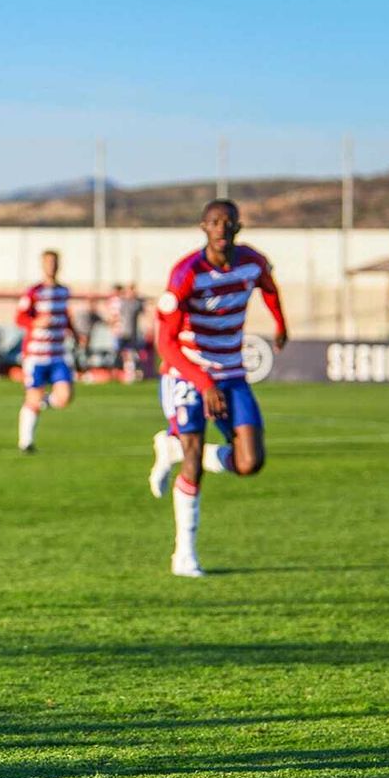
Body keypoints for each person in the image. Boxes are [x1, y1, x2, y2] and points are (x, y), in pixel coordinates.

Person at [147, 199, 288, 577]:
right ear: (203, 228)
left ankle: (171, 448)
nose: (221, 229)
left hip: (231, 373)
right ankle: (184, 555)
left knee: (250, 461)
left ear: (238, 228)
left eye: (228, 223)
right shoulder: (186, 274)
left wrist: (280, 322)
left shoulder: (252, 262)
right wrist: (202, 381)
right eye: (214, 223)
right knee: (193, 459)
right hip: (187, 374)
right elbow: (165, 344)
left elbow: (269, 287)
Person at [14, 249, 77, 453]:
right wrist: (36, 322)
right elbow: (20, 318)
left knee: (65, 397)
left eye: (55, 262)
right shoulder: (34, 292)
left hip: (57, 354)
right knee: (33, 397)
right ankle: (26, 442)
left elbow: (65, 316)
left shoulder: (64, 291)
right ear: (42, 265)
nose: (52, 266)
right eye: (48, 263)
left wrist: (74, 332)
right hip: (36, 355)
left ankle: (37, 403)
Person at [107, 283, 147, 381]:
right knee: (119, 354)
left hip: (131, 333)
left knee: (130, 354)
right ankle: (118, 374)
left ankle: (130, 374)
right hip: (120, 332)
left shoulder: (135, 304)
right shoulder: (120, 303)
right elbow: (113, 317)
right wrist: (114, 327)